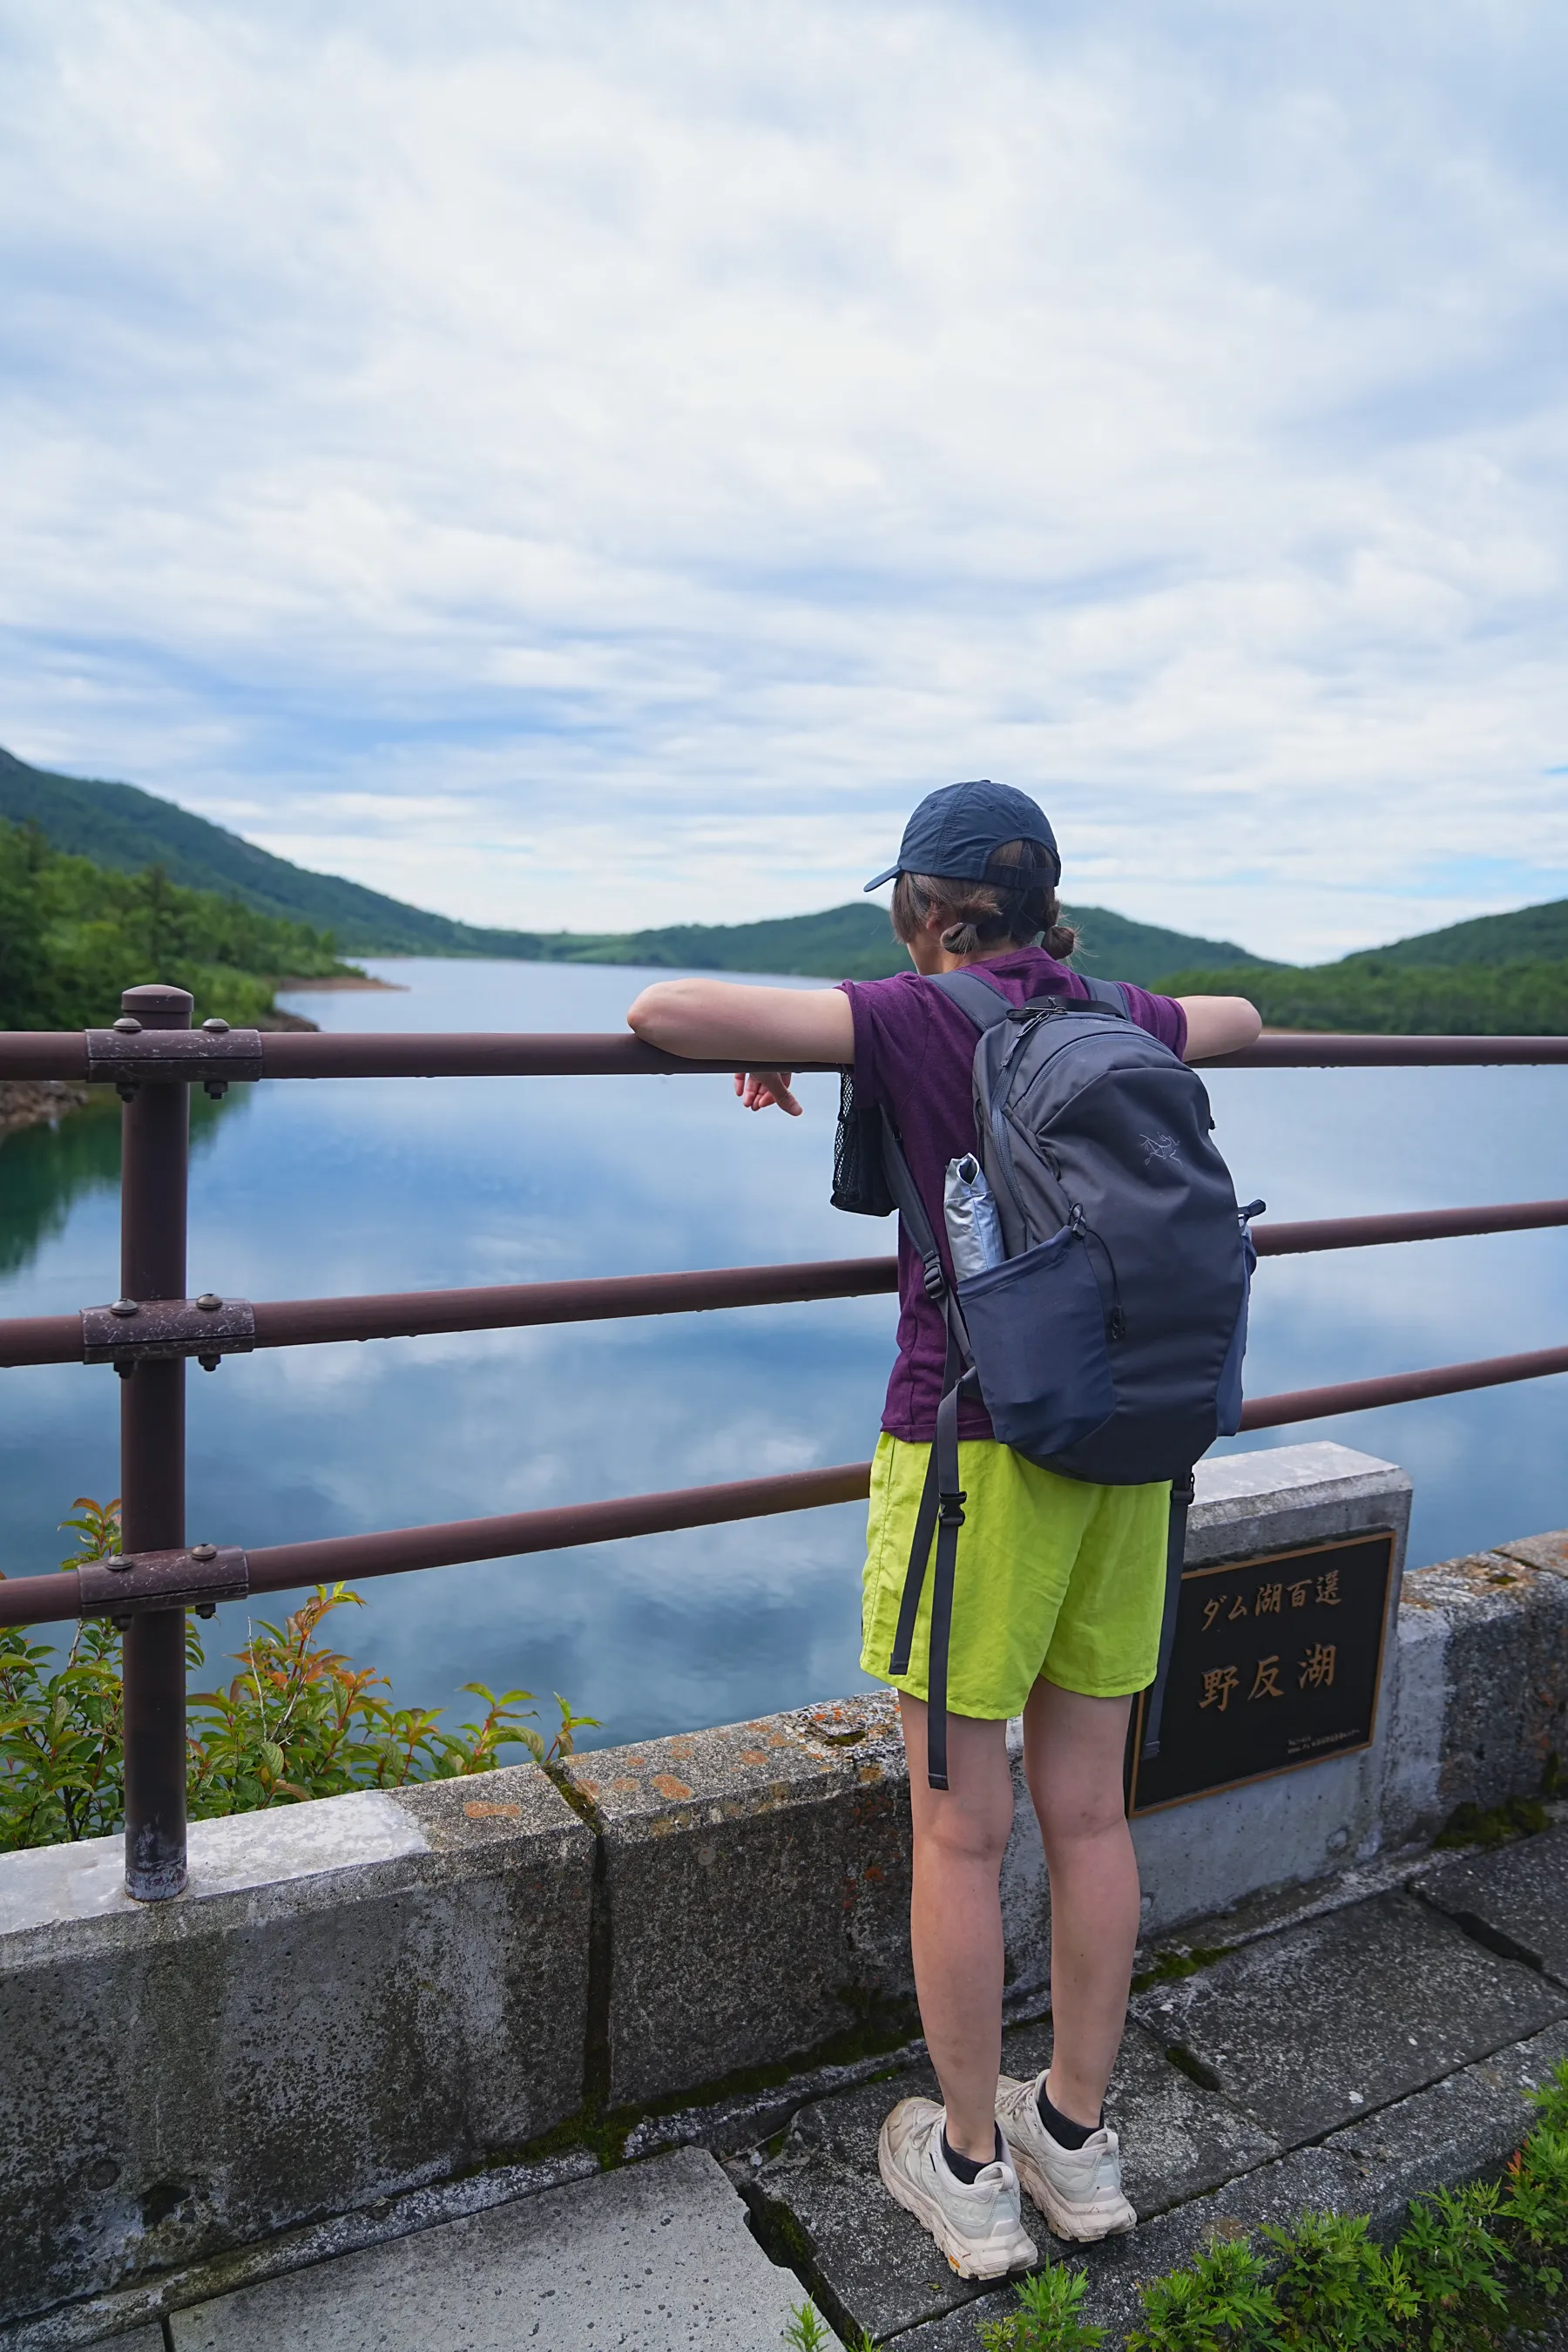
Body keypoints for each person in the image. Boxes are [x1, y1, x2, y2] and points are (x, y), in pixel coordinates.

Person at [626, 781, 1260, 2281]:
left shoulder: (920, 1021)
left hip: (976, 1453)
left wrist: (819, 1040)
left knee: (961, 1830)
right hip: (1132, 1450)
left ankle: (970, 2172)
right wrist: (1126, 998)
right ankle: (1079, 2145)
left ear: (922, 909)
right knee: (1091, 1813)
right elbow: (1239, 1014)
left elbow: (662, 1009)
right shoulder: (1122, 1013)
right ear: (1051, 907)